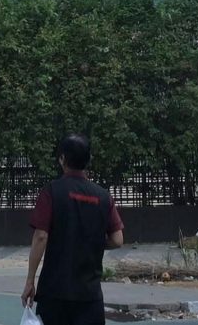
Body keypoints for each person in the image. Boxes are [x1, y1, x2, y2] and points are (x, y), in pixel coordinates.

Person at [23, 133, 127, 325]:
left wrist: (30, 281)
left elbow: (41, 237)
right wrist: (92, 241)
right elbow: (117, 240)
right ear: (88, 160)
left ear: (62, 158)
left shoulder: (52, 191)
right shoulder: (103, 197)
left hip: (55, 293)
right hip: (89, 296)